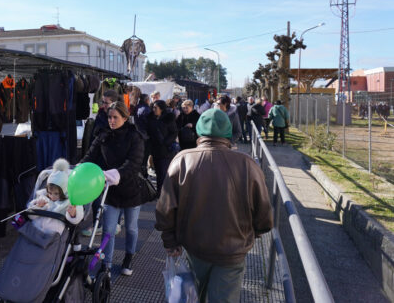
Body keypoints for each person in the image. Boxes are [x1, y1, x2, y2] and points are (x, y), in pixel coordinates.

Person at [155, 109, 273, 302]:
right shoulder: (247, 164)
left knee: (193, 296)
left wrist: (170, 240)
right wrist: (256, 231)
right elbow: (264, 214)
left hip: (194, 247)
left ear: (200, 131)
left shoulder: (182, 159)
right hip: (232, 253)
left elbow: (165, 207)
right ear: (227, 131)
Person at [80, 101, 144, 276]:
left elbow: (134, 163)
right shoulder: (103, 135)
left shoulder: (134, 136)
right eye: (109, 117)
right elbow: (89, 156)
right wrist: (78, 169)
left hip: (131, 190)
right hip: (110, 191)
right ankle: (106, 265)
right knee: (108, 230)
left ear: (125, 117)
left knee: (131, 228)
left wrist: (116, 174)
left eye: (115, 117)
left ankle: (128, 257)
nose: (112, 120)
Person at [27, 158, 84, 235]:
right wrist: (38, 206)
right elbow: (31, 215)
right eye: (50, 193)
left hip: (54, 233)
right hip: (36, 231)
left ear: (64, 190)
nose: (52, 197)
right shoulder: (42, 196)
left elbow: (77, 218)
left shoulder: (70, 200)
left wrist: (73, 213)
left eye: (56, 194)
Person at [147, 100, 178, 195]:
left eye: (156, 108)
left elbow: (174, 132)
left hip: (165, 151)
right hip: (155, 150)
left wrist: (166, 142)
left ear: (161, 109)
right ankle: (160, 192)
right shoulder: (151, 118)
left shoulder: (168, 118)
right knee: (158, 172)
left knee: (163, 173)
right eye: (153, 107)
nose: (153, 109)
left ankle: (162, 193)